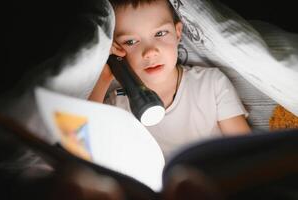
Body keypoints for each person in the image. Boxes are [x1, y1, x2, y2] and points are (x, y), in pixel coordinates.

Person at [89, 0, 251, 159]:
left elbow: (248, 153)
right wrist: (104, 76)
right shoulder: (117, 106)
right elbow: (86, 147)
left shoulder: (211, 85)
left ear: (178, 33)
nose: (150, 52)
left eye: (160, 33)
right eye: (131, 41)